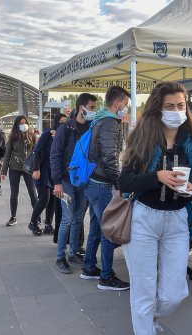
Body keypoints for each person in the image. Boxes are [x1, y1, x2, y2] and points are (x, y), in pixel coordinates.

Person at [118, 82, 192, 333]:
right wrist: (156, 177)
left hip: (178, 221)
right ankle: (145, 324)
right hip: (144, 218)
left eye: (180, 105)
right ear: (158, 108)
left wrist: (190, 188)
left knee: (174, 294)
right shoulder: (143, 138)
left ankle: (150, 316)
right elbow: (124, 181)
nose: (176, 110)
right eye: (170, 106)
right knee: (143, 290)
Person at [82, 86, 131, 290]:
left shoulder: (97, 120)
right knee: (108, 230)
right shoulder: (110, 122)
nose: (126, 110)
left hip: (92, 181)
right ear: (117, 103)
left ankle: (89, 267)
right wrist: (119, 183)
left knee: (95, 226)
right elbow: (110, 158)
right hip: (102, 184)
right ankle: (106, 276)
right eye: (126, 106)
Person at [51, 93, 97, 274]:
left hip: (84, 181)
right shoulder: (66, 129)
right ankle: (60, 257)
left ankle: (74, 252)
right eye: (92, 108)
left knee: (78, 218)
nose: (94, 111)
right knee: (68, 219)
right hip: (66, 181)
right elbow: (55, 156)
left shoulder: (91, 128)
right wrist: (57, 183)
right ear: (81, 108)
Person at [28, 113, 67, 236]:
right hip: (42, 171)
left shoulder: (64, 136)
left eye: (65, 122)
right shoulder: (47, 134)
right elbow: (37, 151)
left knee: (52, 201)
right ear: (56, 122)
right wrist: (36, 169)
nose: (63, 124)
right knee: (44, 198)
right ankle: (33, 222)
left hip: (53, 173)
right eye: (61, 122)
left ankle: (48, 225)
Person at [1, 116, 38, 226]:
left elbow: (37, 154)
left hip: (28, 168)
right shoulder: (13, 137)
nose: (23, 125)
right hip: (15, 168)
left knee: (33, 193)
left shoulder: (32, 136)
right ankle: (13, 217)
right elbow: (7, 155)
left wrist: (37, 169)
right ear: (17, 125)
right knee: (14, 194)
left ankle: (36, 216)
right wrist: (3, 171)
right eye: (21, 123)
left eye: (25, 123)